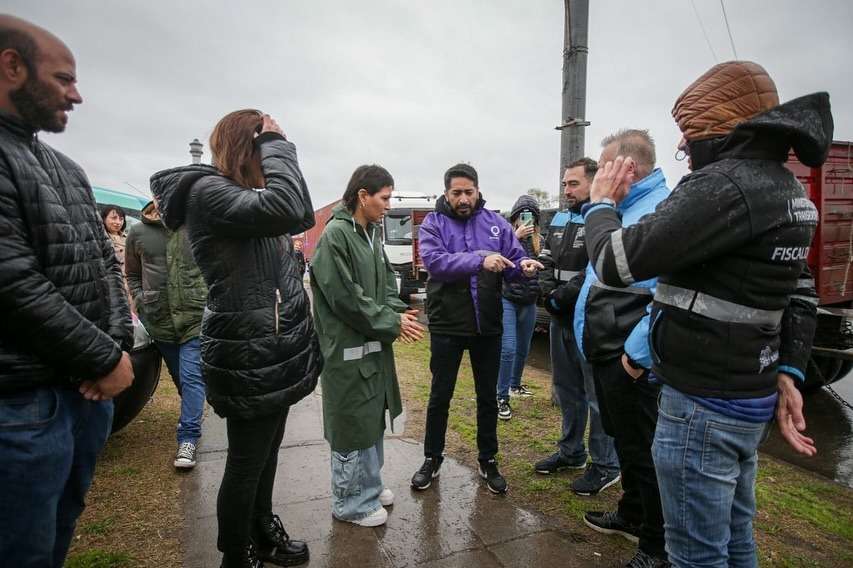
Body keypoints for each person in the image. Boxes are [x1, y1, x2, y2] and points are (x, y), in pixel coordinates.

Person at [584, 61, 829, 568]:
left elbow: (615, 262)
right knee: (736, 540)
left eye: (689, 134)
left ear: (720, 129)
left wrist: (601, 203)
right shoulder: (787, 190)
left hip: (702, 405)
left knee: (695, 553)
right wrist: (788, 369)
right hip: (748, 395)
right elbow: (801, 293)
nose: (682, 148)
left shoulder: (724, 187)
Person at [151, 110, 321, 568]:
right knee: (246, 462)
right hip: (248, 353)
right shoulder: (209, 194)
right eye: (265, 146)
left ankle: (262, 531)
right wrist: (278, 143)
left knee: (264, 455)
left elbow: (295, 216)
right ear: (251, 146)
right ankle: (235, 554)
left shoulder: (242, 198)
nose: (272, 156)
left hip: (271, 352)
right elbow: (291, 208)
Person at [0, 15, 134, 566]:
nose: (76, 95)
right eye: (62, 79)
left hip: (82, 398)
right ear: (11, 66)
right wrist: (104, 357)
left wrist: (120, 344)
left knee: (57, 530)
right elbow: (13, 282)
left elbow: (106, 267)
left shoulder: (66, 168)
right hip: (22, 407)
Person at [410, 163, 543, 494]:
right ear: (446, 193)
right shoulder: (433, 223)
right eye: (457, 192)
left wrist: (523, 268)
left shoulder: (496, 223)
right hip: (447, 324)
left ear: (478, 191)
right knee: (441, 395)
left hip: (488, 325)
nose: (463, 198)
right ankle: (432, 457)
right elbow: (435, 263)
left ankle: (488, 459)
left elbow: (511, 265)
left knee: (487, 396)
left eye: (469, 191)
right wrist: (480, 258)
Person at [575, 131, 671, 568]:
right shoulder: (624, 207)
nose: (598, 175)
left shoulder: (657, 211)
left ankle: (656, 545)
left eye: (604, 165)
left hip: (631, 359)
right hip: (610, 350)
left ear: (627, 168)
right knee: (629, 444)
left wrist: (634, 357)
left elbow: (666, 296)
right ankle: (632, 514)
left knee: (646, 450)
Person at [310, 164, 425, 527]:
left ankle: (368, 487)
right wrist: (391, 322)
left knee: (371, 420)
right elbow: (347, 298)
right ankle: (350, 502)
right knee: (351, 425)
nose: (388, 206)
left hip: (372, 348)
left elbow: (384, 288)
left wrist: (397, 315)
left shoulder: (370, 234)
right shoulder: (337, 237)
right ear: (363, 195)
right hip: (347, 350)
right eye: (385, 198)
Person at [536, 158, 621, 498]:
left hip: (591, 320)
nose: (566, 190)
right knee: (567, 390)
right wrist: (546, 293)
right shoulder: (559, 217)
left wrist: (562, 297)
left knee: (596, 394)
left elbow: (596, 268)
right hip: (559, 318)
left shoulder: (603, 217)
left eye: (573, 183)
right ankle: (571, 452)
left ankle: (605, 465)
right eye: (565, 184)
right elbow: (545, 258)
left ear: (593, 182)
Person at [125, 199, 207, 469]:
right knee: (180, 376)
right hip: (158, 318)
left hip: (193, 317)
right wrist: (139, 299)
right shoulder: (137, 233)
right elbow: (133, 274)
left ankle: (188, 438)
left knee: (191, 375)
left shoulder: (193, 226)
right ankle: (192, 414)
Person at [496, 194, 543, 420]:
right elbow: (499, 261)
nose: (528, 220)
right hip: (508, 298)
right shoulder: (507, 235)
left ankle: (515, 385)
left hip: (529, 300)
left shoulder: (540, 240)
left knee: (523, 348)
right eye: (523, 215)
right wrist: (515, 237)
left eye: (532, 216)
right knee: (508, 349)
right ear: (515, 217)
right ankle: (501, 396)